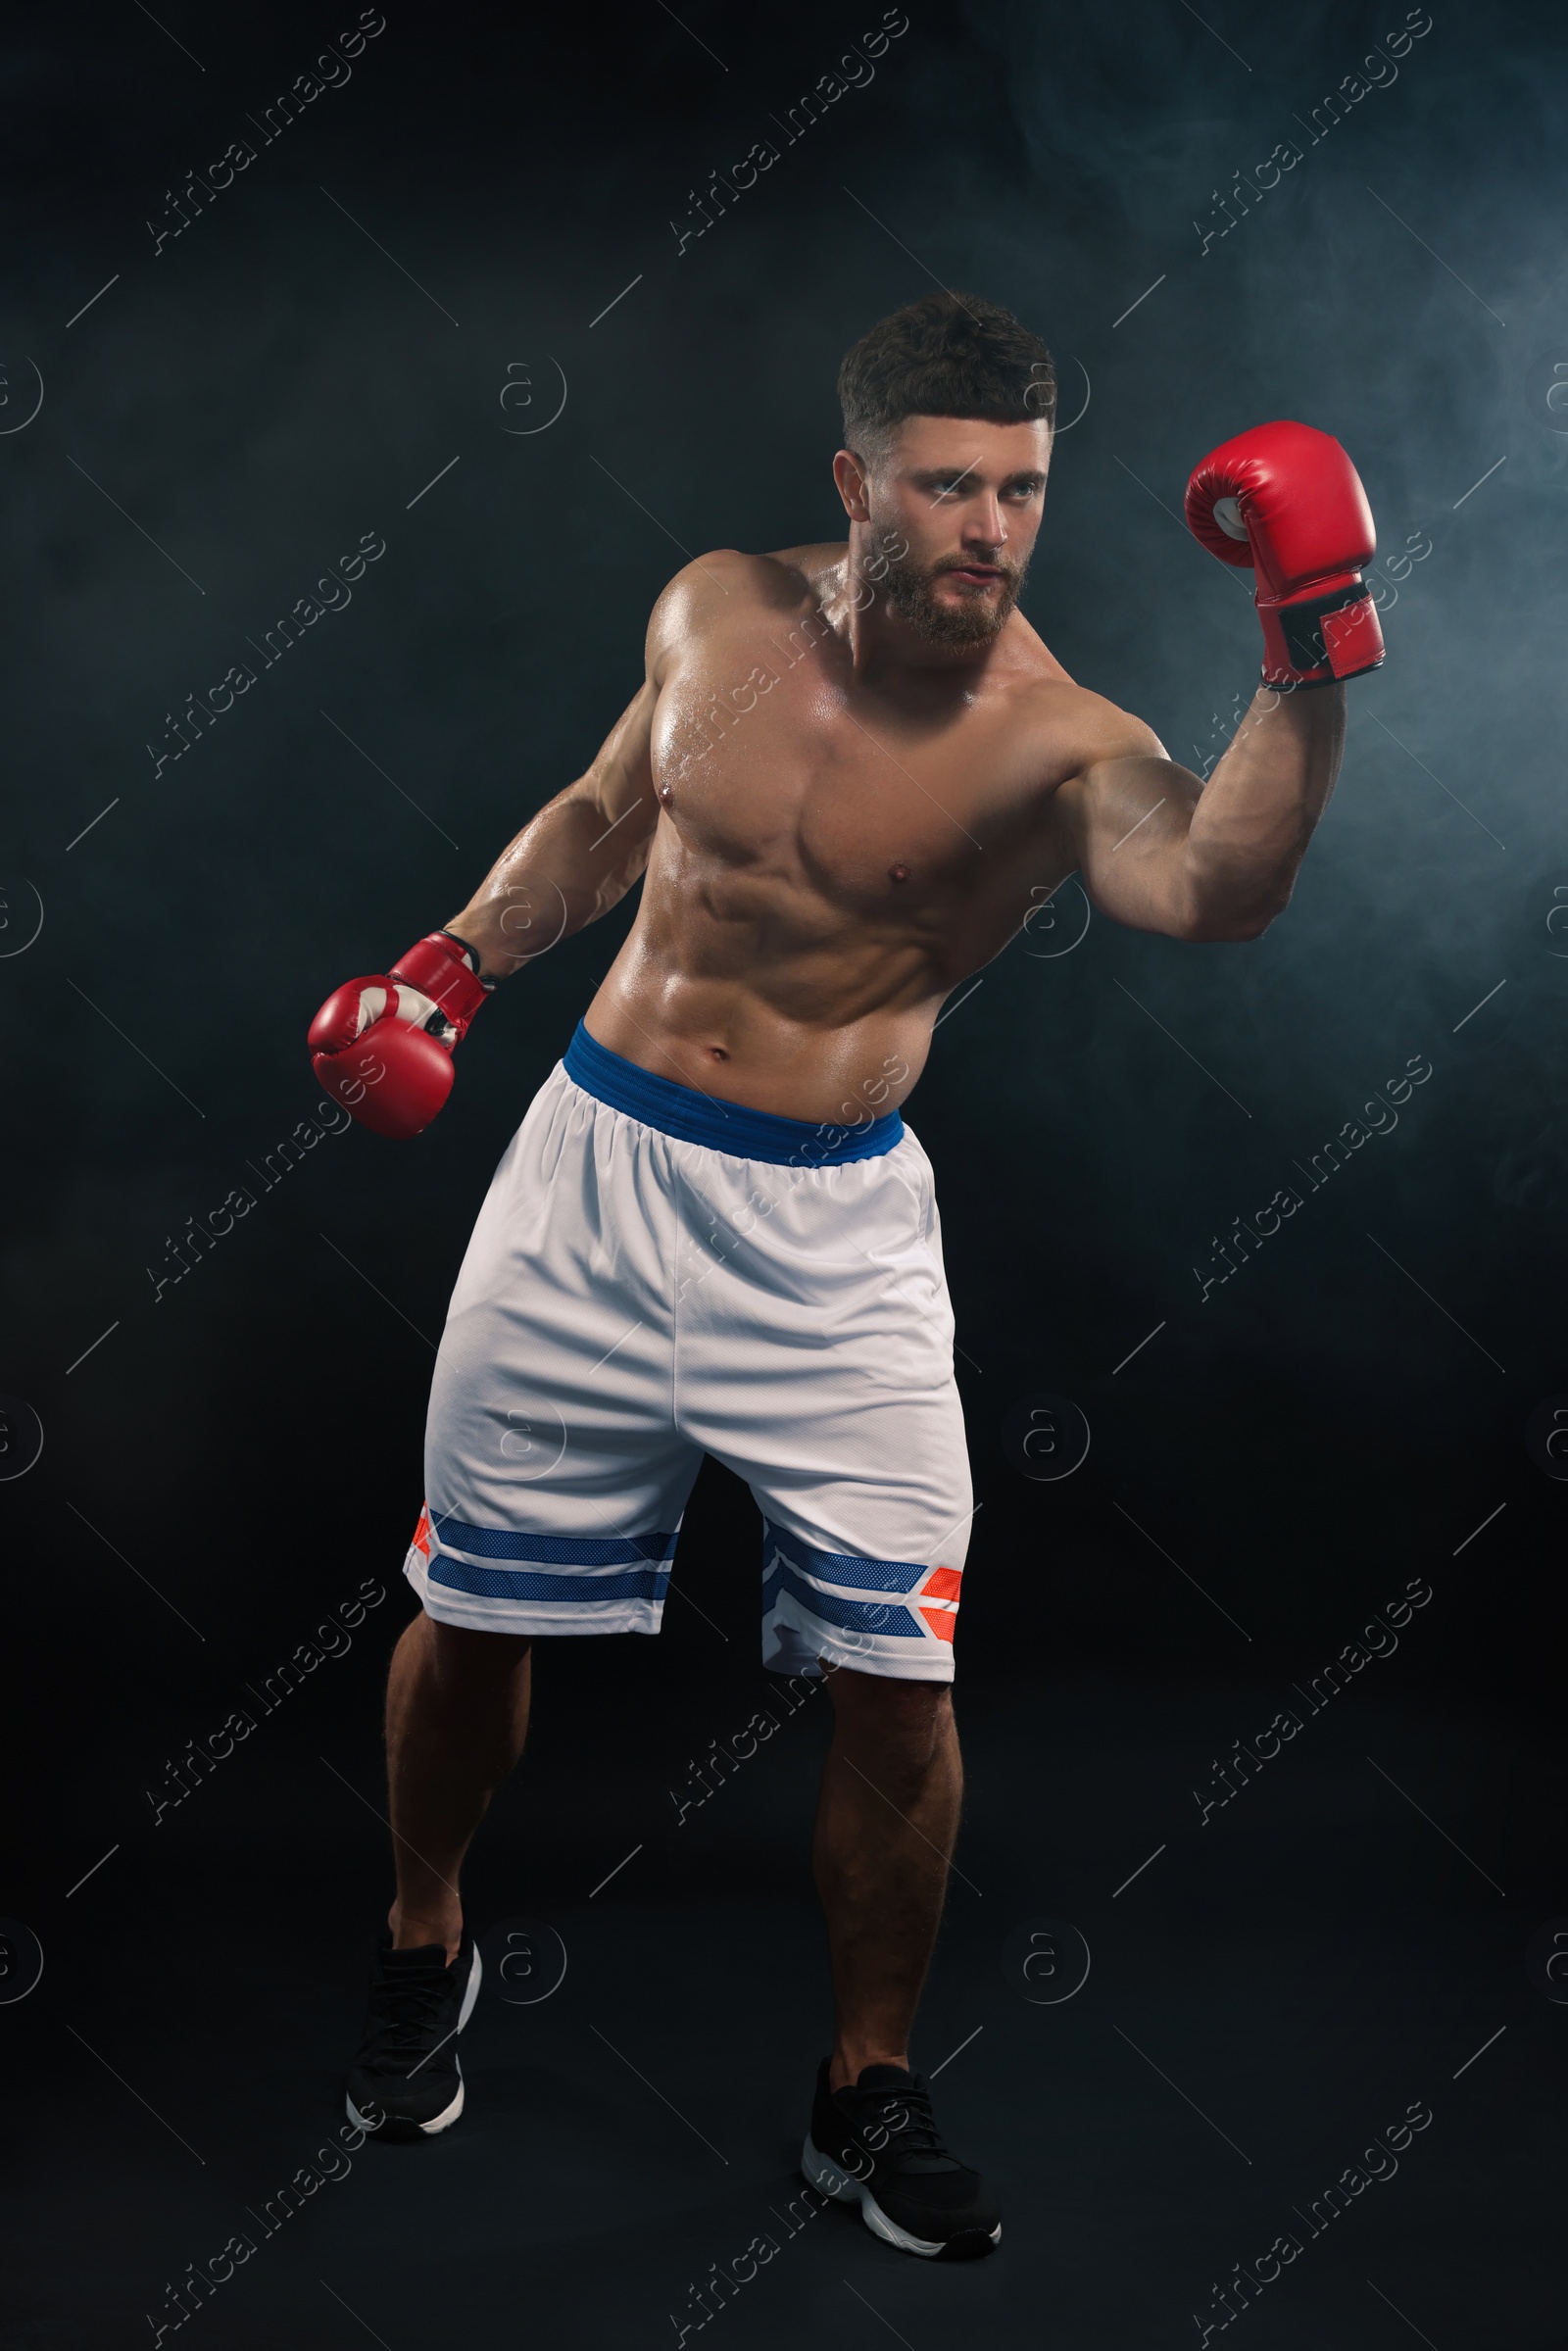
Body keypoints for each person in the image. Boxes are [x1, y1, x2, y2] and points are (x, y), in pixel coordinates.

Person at [308, 289, 1384, 2260]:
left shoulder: (1059, 748)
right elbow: (604, 817)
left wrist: (1305, 644)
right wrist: (449, 961)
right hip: (590, 1187)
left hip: (831, 1244)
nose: (990, 527)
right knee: (469, 1623)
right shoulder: (717, 613)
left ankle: (859, 2090)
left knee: (900, 1691)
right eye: (950, 486)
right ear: (854, 482)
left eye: (1023, 492)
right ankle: (420, 1936)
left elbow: (1216, 884)